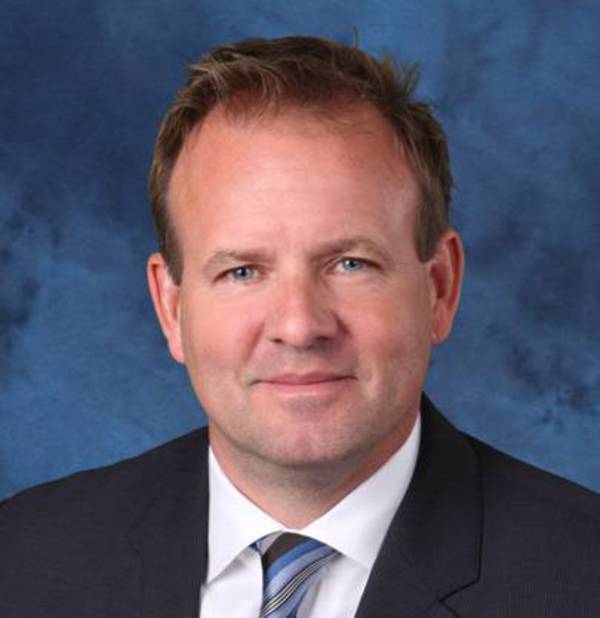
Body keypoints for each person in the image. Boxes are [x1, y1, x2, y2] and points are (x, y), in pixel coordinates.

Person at [1, 35, 599, 618]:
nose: (299, 326)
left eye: (350, 264)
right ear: (170, 306)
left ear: (439, 286)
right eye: (242, 271)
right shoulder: (23, 561)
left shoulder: (580, 577)